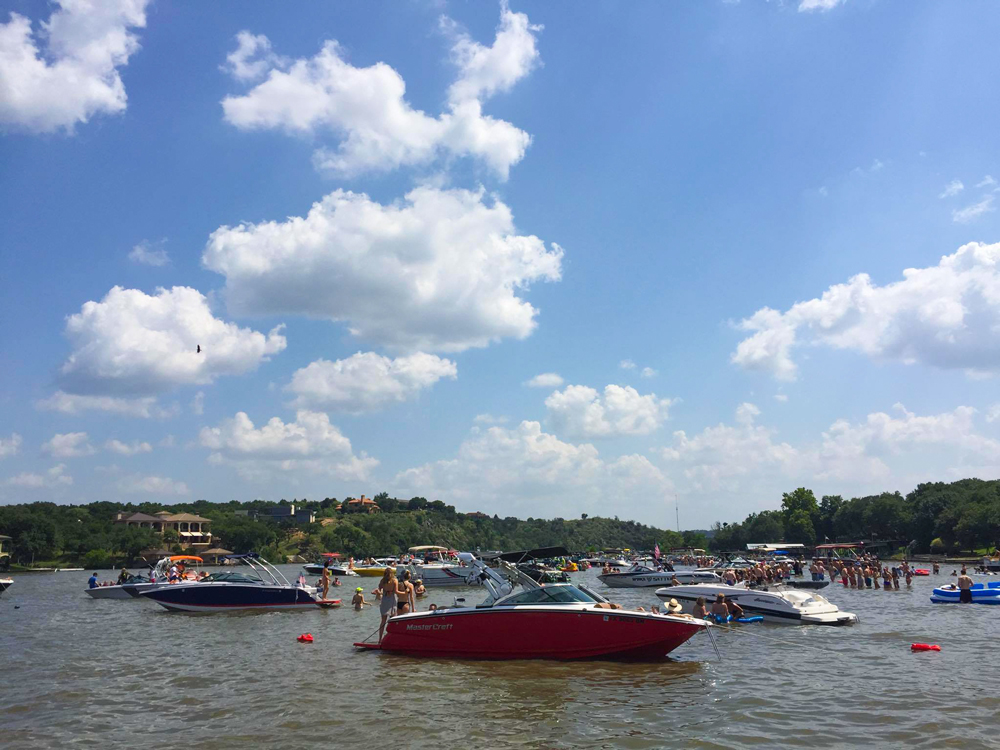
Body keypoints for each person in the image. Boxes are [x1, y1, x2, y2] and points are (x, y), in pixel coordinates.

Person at [377, 567, 397, 642]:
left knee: (383, 621)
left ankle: (380, 639)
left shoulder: (382, 581)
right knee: (393, 620)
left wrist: (382, 592)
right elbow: (396, 591)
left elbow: (379, 589)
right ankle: (393, 639)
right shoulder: (395, 580)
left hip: (385, 599)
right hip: (391, 599)